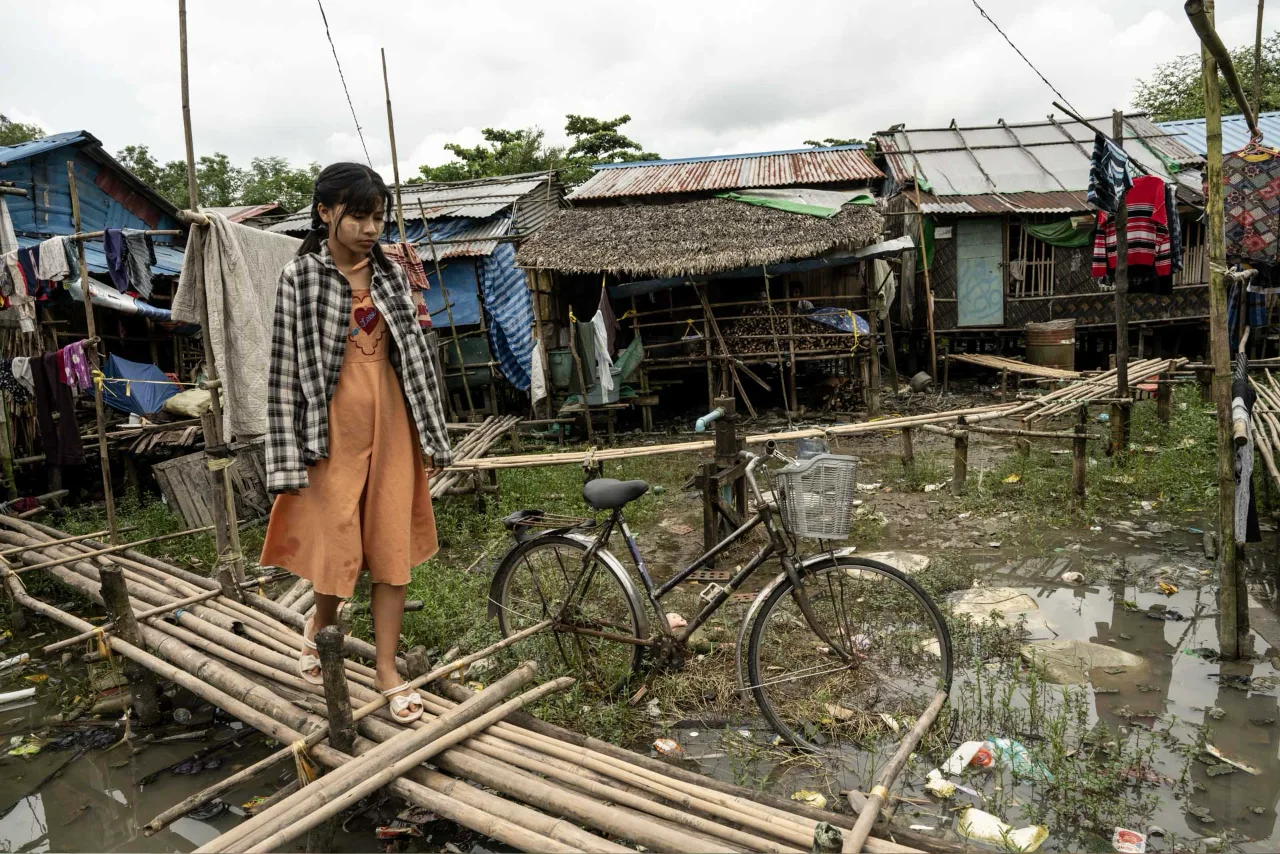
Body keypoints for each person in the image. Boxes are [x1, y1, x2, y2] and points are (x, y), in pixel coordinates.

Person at [260, 162, 452, 724]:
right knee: (336, 546)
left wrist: (433, 439)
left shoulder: (391, 275)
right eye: (360, 215)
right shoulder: (301, 278)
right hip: (331, 435)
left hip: (392, 428)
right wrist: (286, 452)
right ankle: (320, 625)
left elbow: (416, 361)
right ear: (325, 213)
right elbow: (283, 369)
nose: (372, 228)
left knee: (391, 549)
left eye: (379, 217)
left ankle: (387, 669)